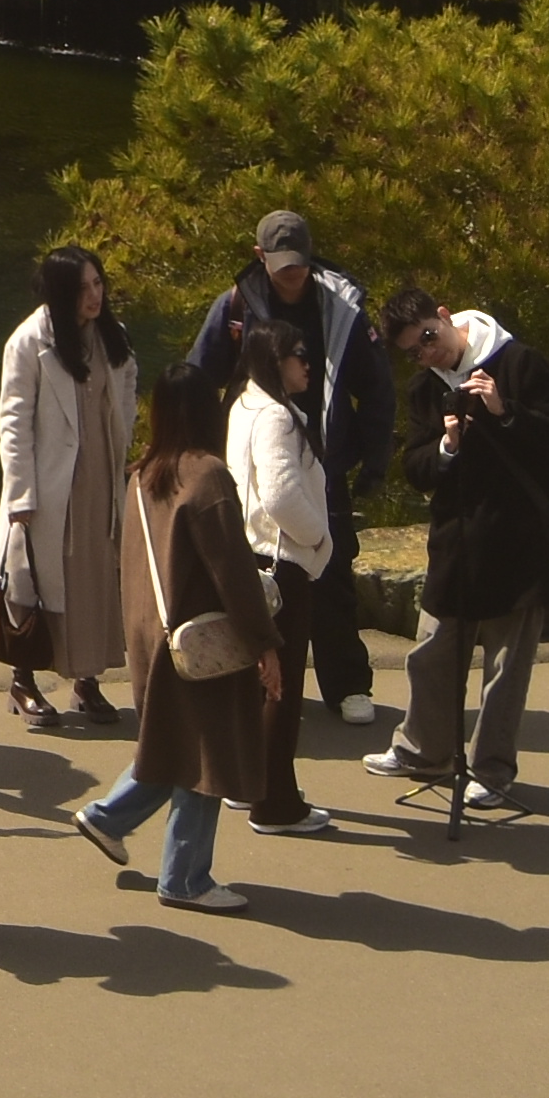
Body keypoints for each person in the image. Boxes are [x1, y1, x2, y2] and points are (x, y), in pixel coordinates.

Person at [65, 373, 284, 914]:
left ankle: (109, 816)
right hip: (201, 636)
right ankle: (185, 876)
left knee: (172, 741)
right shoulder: (208, 477)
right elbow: (232, 570)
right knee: (207, 752)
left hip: (151, 633)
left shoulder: (143, 475)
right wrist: (265, 643)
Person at [184, 210, 392, 725]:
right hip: (254, 467)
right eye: (280, 265)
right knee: (255, 578)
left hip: (324, 461)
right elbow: (195, 381)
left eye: (298, 263)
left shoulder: (341, 307)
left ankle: (347, 684)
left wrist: (374, 459)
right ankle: (257, 688)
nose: (291, 273)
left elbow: (377, 387)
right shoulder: (235, 307)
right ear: (260, 258)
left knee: (332, 572)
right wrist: (196, 456)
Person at [383, 286, 549, 806]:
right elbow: (415, 467)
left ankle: (491, 771)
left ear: (444, 316)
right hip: (456, 538)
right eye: (414, 352)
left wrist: (504, 409)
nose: (428, 353)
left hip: (518, 540)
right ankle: (423, 750)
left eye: (428, 337)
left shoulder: (517, 361)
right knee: (431, 652)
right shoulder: (427, 389)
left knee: (505, 669)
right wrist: (447, 445)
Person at [0, 244, 140, 732]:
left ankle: (87, 681)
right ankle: (24, 680)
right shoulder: (29, 341)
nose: (94, 295)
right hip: (50, 480)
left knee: (95, 576)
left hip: (99, 474)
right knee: (34, 580)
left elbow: (125, 396)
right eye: (82, 288)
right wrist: (21, 495)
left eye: (98, 284)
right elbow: (13, 422)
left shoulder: (111, 335)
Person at [215, 301, 343, 835]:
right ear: (275, 360)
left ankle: (246, 786)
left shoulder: (246, 404)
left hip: (252, 560)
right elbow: (282, 492)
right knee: (281, 687)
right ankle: (275, 803)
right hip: (281, 563)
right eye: (298, 355)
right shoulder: (274, 416)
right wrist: (319, 537)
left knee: (255, 685)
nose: (307, 364)